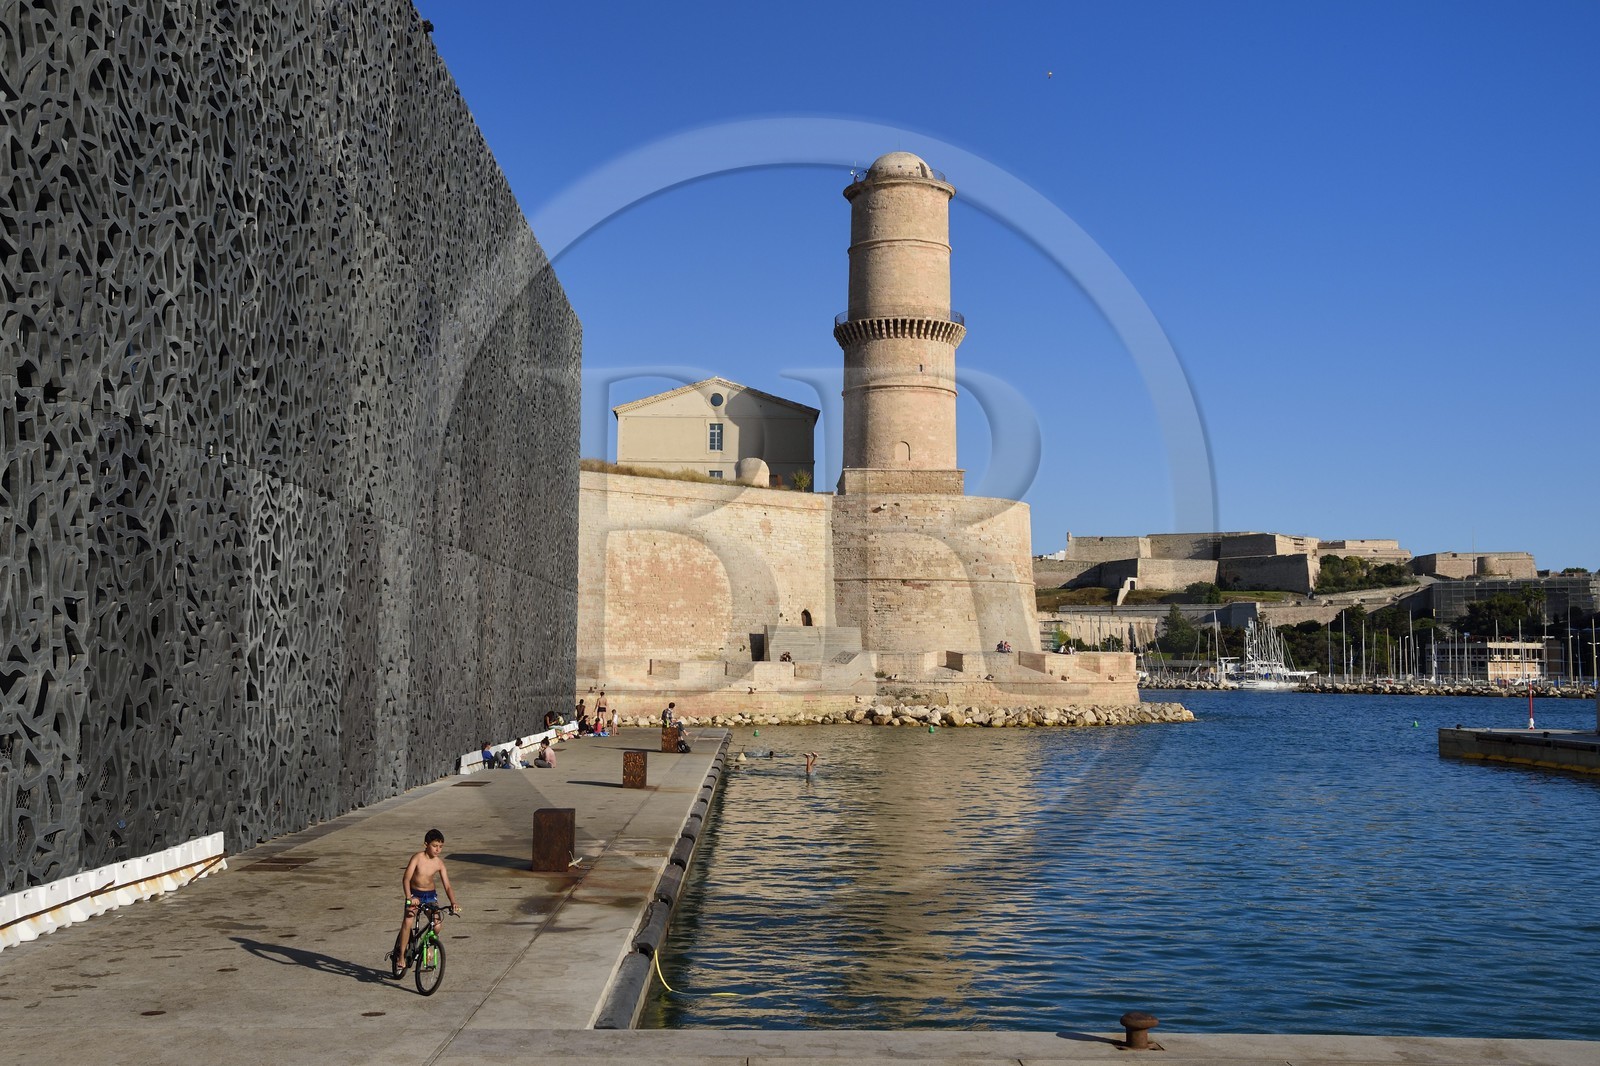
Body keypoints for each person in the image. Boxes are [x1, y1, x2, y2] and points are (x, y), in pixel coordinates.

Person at [391, 828, 458, 978]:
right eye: (435, 846)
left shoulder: (439, 863)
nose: (438, 850)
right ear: (425, 844)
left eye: (441, 847)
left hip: (430, 896)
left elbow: (447, 885)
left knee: (437, 924)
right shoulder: (417, 858)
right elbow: (406, 879)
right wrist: (409, 897)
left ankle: (426, 948)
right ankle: (401, 957)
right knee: (408, 921)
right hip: (415, 894)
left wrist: (453, 902)